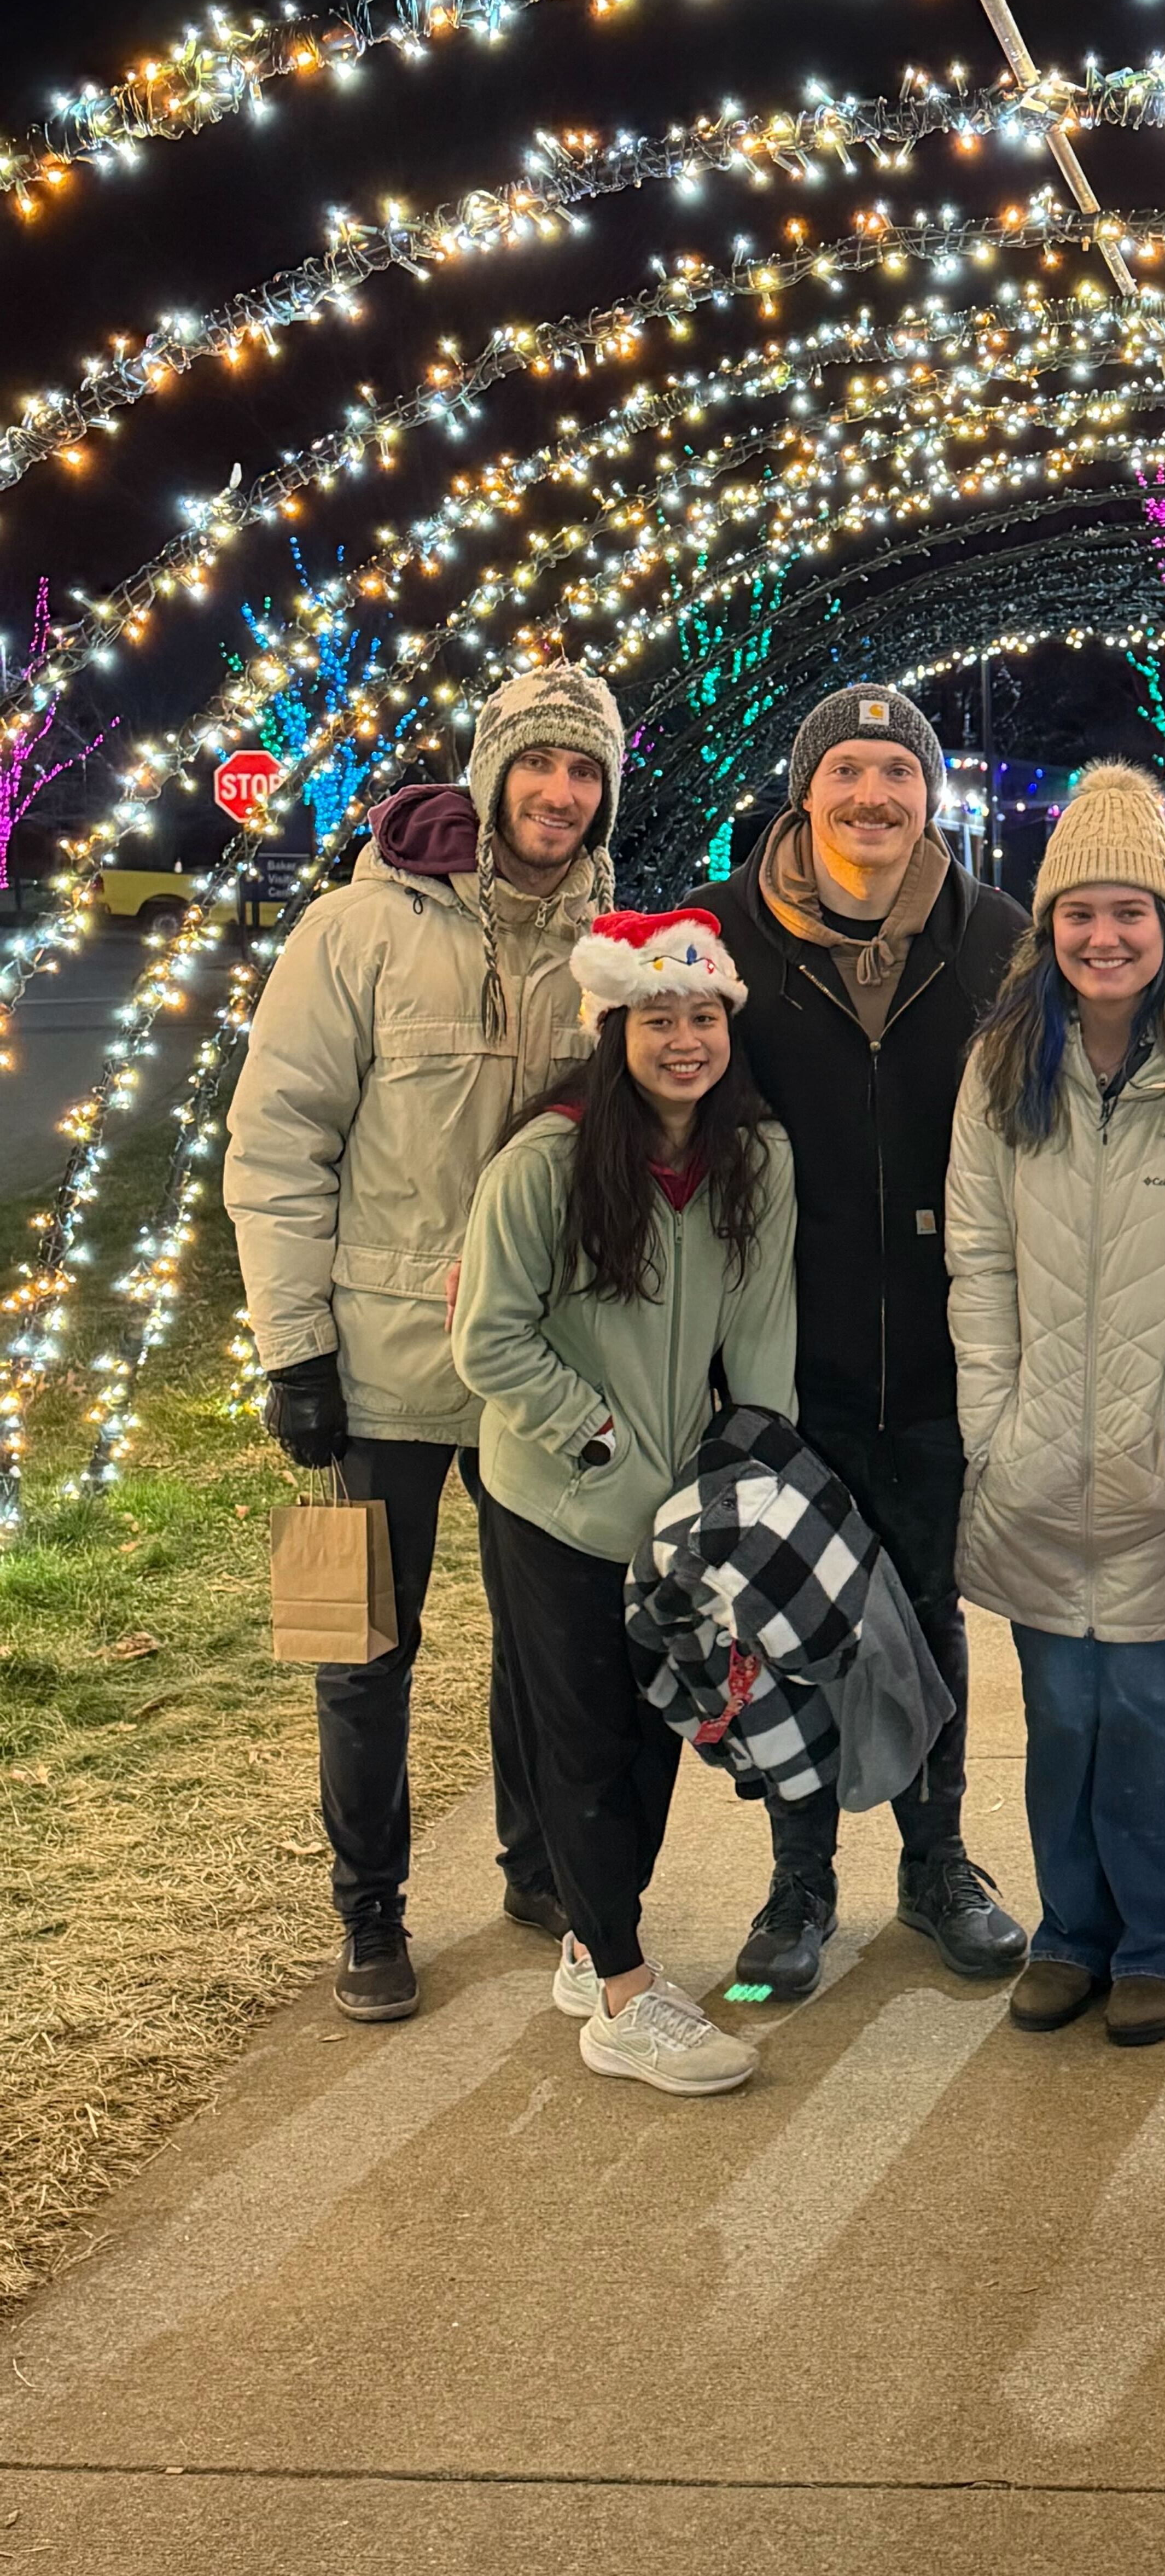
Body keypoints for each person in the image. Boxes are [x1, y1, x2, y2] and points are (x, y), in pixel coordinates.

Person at [224, 664, 625, 2021]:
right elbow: (280, 1144)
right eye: (540, 765)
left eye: (585, 773)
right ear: (489, 771)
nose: (561, 795)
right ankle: (371, 1914)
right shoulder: (359, 929)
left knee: (552, 1642)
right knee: (362, 1646)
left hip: (538, 1363)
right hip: (382, 1361)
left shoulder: (610, 946)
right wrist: (295, 1349)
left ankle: (539, 1866)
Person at [947, 764, 1165, 2048]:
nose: (1104, 936)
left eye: (1129, 912)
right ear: (1049, 929)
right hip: (1032, 1452)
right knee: (1059, 1708)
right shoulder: (1000, 1070)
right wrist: (995, 1420)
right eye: (1079, 912)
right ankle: (1070, 1933)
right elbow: (976, 1259)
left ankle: (1161, 1943)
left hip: (1158, 1458)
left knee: (1148, 1707)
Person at [702, 683, 1030, 2001]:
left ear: (929, 795)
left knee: (928, 1613)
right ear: (806, 791)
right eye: (847, 770)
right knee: (791, 1621)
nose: (874, 796)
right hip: (783, 1351)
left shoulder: (994, 935)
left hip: (944, 1351)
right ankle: (799, 1879)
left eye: (899, 772)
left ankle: (938, 1859)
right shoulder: (722, 936)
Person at [452, 906, 797, 2096]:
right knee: (583, 1734)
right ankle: (625, 1993)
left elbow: (761, 1336)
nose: (686, 1039)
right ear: (615, 1030)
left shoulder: (753, 1160)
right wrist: (592, 1434)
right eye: (660, 1019)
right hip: (555, 1498)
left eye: (704, 1016)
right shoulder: (545, 1162)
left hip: (682, 1505)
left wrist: (752, 1474)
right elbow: (488, 1342)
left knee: (659, 1725)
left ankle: (596, 1934)